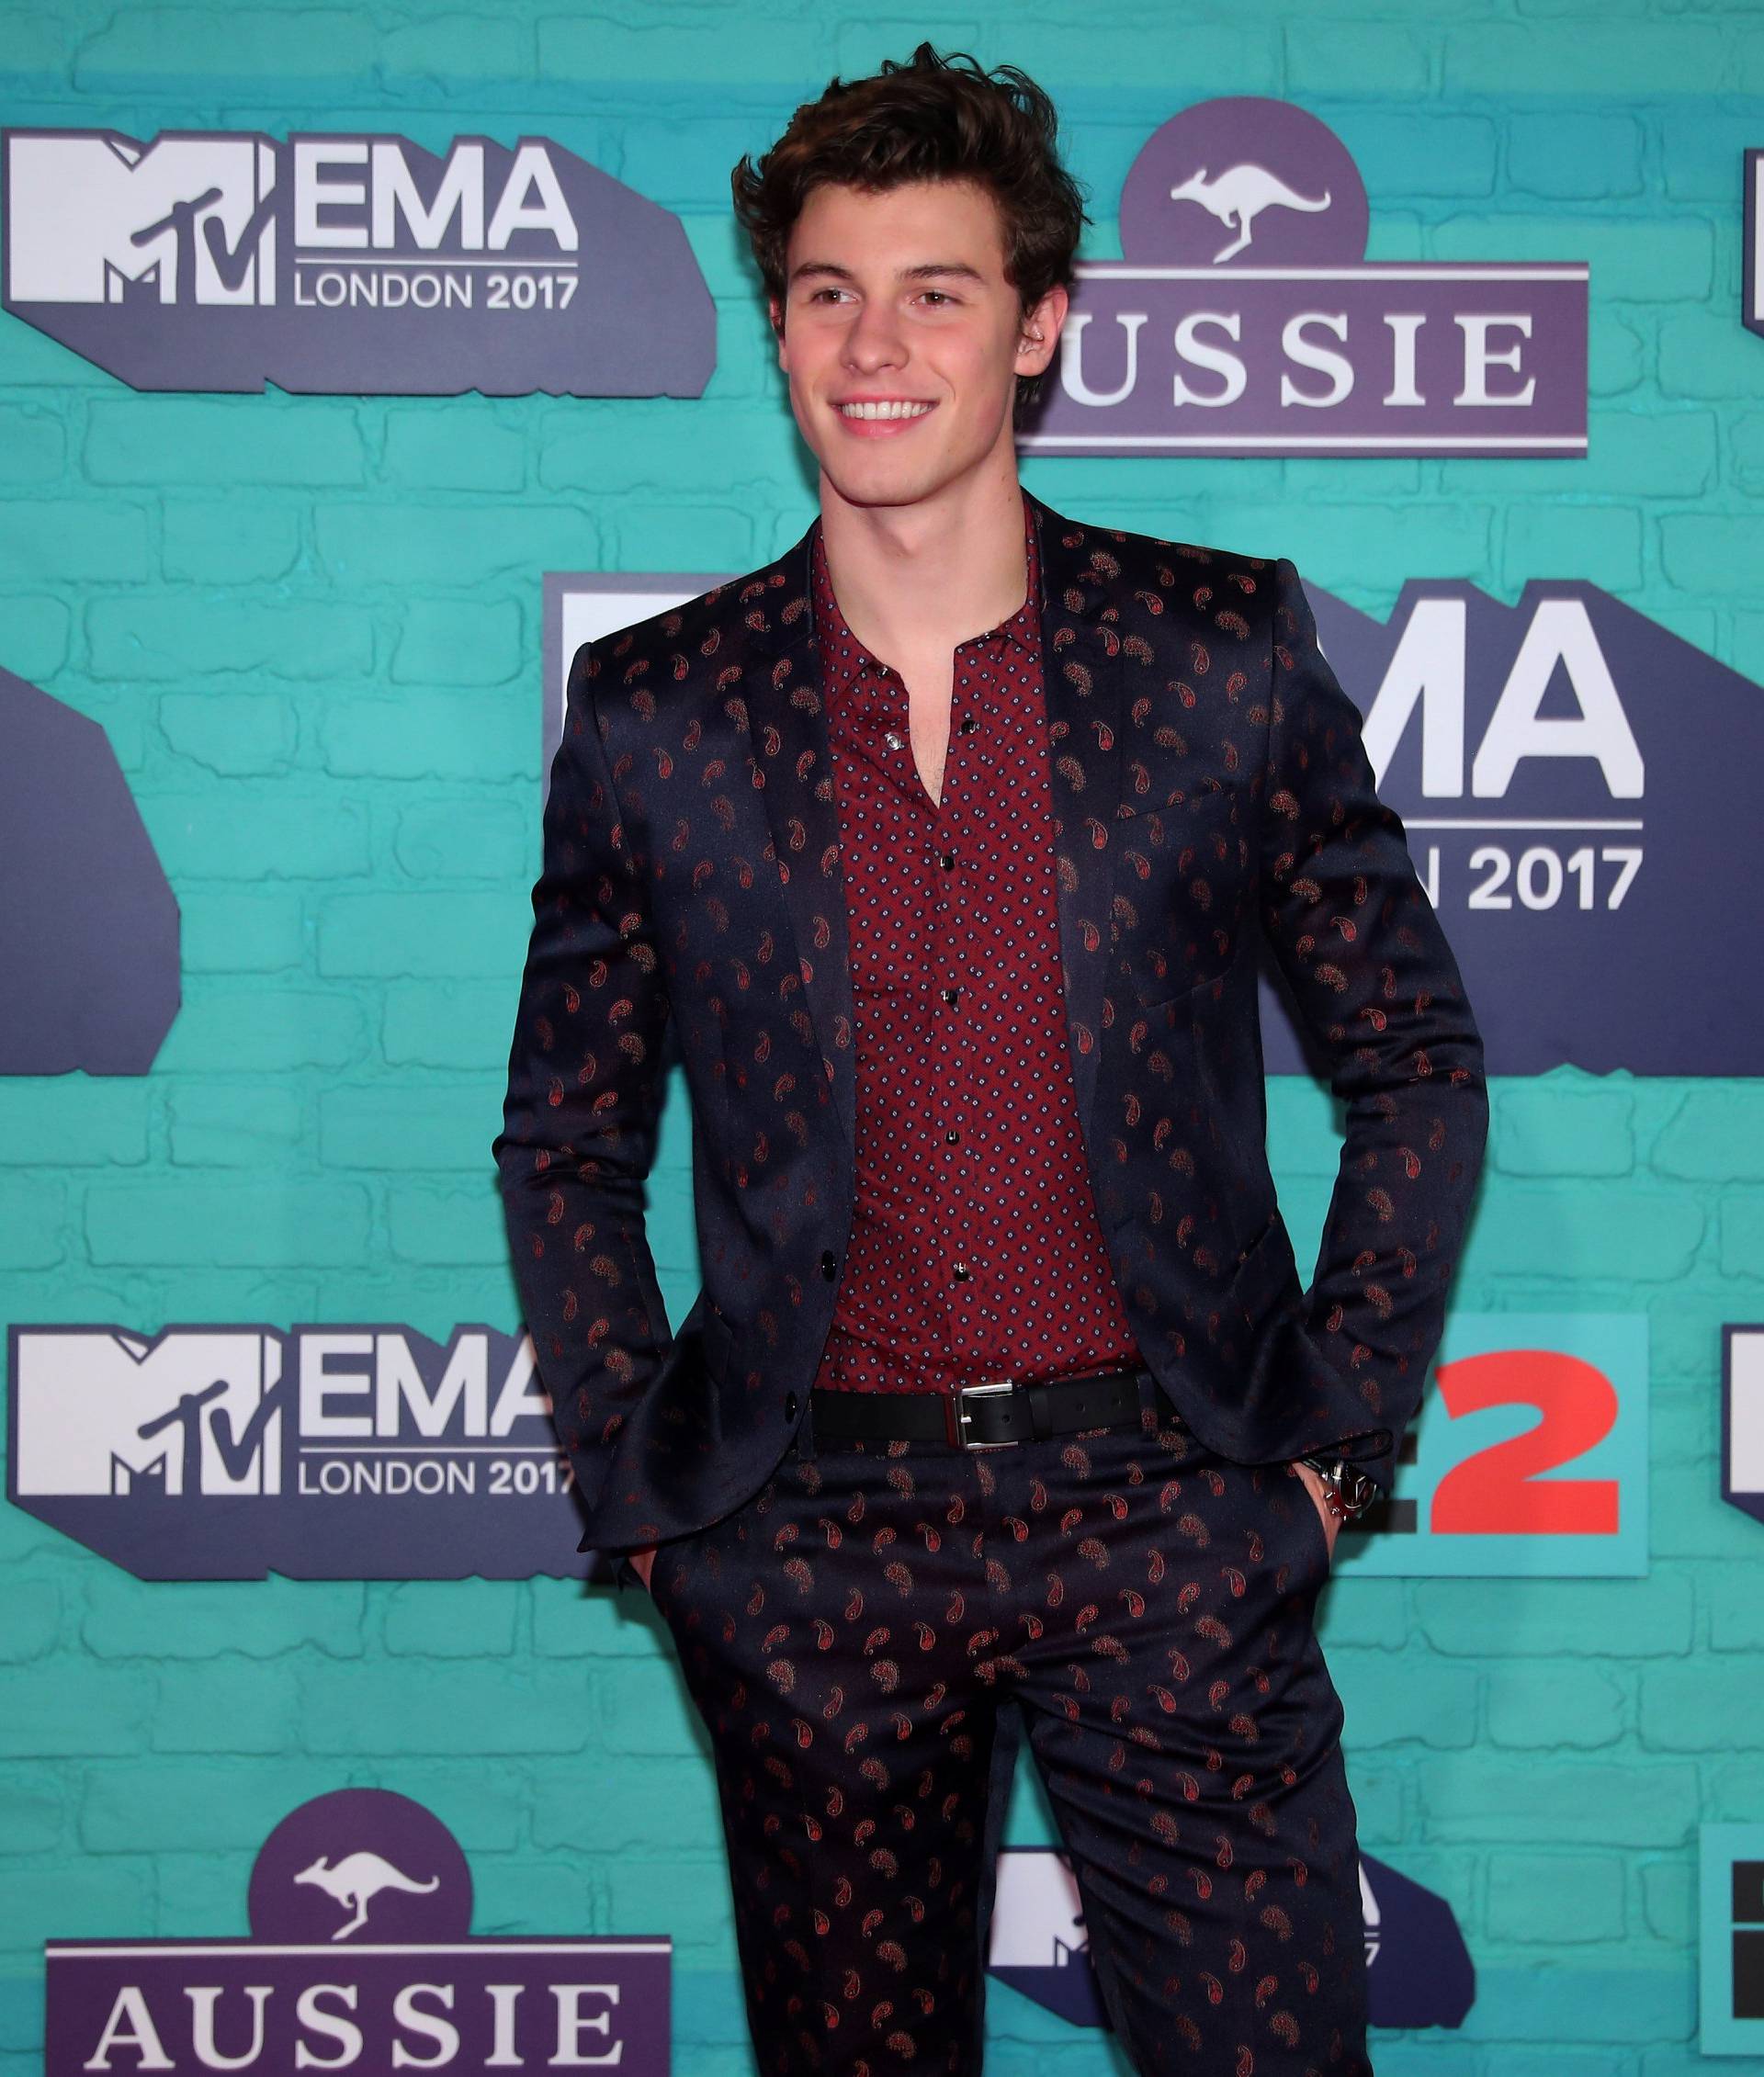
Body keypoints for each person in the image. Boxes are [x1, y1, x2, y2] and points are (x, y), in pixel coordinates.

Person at [493, 43, 1487, 2077]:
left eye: (936, 291)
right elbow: (566, 1138)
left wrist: (1323, 1455)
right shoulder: (655, 711)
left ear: (1037, 326)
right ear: (776, 329)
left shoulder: (1221, 652)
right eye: (829, 293)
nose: (877, 346)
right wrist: (656, 1499)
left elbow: (1413, 1059)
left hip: (1174, 1516)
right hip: (807, 1548)